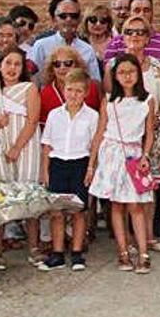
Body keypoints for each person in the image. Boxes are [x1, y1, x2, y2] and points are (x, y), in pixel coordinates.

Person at [103, 16, 160, 254]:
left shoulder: (156, 66)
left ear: (147, 37)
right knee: (123, 193)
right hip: (123, 138)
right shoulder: (113, 65)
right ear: (122, 36)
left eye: (141, 32)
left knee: (147, 187)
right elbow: (111, 100)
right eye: (130, 31)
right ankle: (128, 242)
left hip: (153, 133)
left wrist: (157, 121)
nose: (135, 36)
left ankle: (148, 237)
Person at [88, 54, 157, 274]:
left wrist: (146, 155)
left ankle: (143, 252)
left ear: (138, 73)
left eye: (131, 72)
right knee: (116, 205)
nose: (127, 77)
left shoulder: (147, 100)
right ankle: (123, 251)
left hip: (134, 153)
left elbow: (149, 133)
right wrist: (92, 164)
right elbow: (99, 133)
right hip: (111, 153)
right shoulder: (109, 100)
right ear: (115, 76)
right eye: (122, 73)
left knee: (135, 205)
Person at [37, 69, 98, 272]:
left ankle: (78, 252)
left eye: (79, 91)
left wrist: (91, 169)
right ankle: (57, 253)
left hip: (79, 164)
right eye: (70, 90)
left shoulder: (91, 116)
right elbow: (46, 145)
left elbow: (93, 147)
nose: (73, 95)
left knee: (79, 211)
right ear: (63, 90)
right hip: (58, 165)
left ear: (86, 93)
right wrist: (45, 171)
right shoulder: (55, 115)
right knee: (57, 212)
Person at [0, 47, 44, 265]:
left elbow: (33, 120)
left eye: (17, 64)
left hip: (26, 147)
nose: (12, 68)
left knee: (28, 194)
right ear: (0, 66)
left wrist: (17, 147)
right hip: (0, 147)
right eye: (8, 63)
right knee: (2, 197)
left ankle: (34, 247)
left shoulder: (29, 88)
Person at [103, 0, 160, 90]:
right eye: (137, 10)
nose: (141, 14)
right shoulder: (115, 43)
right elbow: (109, 77)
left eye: (146, 10)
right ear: (130, 13)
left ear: (152, 13)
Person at [30, 0, 102, 82]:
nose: (69, 20)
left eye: (74, 16)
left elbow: (95, 81)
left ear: (79, 19)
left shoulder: (87, 49)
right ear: (54, 19)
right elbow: (33, 79)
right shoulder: (41, 45)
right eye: (63, 16)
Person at [80, 4, 112, 73]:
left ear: (108, 24)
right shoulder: (80, 43)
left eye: (103, 20)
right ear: (86, 22)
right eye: (93, 20)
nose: (98, 24)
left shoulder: (116, 43)